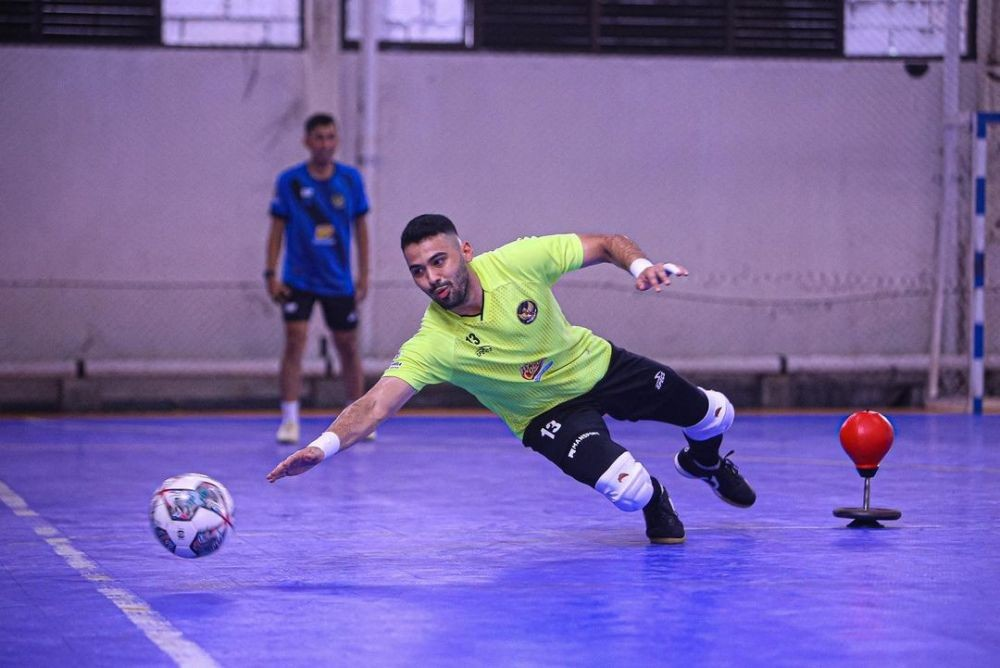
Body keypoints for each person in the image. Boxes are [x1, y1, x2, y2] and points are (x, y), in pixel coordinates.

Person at [267, 214, 756, 544]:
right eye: (418, 271)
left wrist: (641, 266)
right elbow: (375, 406)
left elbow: (607, 244)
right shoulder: (434, 342)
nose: (432, 277)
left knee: (715, 412)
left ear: (465, 251)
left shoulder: (517, 263)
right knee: (627, 490)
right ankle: (656, 497)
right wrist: (323, 447)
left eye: (439, 261)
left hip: (598, 365)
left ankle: (704, 464)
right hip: (546, 413)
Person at [265, 113, 372, 445]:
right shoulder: (290, 182)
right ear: (307, 141)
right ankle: (290, 418)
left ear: (336, 140)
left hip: (338, 279)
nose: (325, 143)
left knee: (348, 346)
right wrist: (270, 273)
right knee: (295, 341)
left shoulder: (351, 180)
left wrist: (364, 274)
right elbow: (276, 230)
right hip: (298, 278)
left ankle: (358, 417)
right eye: (318, 137)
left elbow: (361, 229)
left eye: (330, 137)